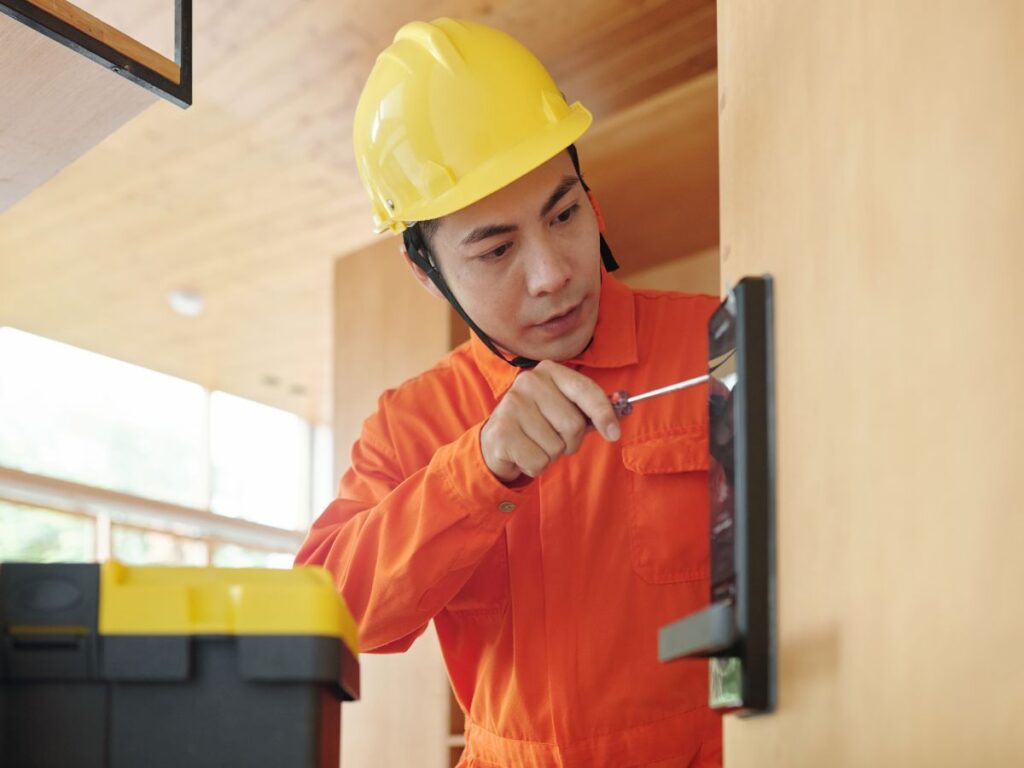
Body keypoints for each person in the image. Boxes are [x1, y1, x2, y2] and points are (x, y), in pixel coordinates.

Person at [296, 17, 722, 767]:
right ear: (428, 274)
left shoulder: (714, 342)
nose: (552, 272)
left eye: (564, 214)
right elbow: (322, 617)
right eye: (496, 248)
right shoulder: (412, 423)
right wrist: (477, 470)